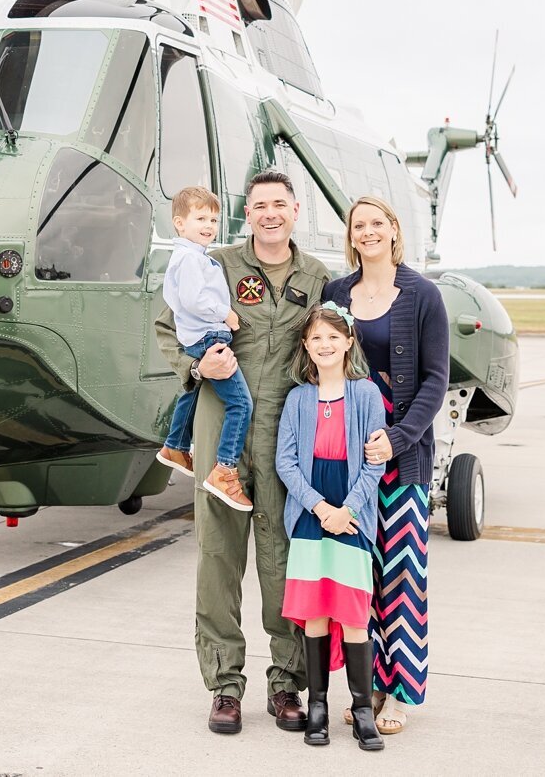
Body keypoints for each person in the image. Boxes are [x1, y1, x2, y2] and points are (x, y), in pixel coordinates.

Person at [153, 171, 330, 735]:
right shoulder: (215, 262)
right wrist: (194, 365)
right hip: (221, 423)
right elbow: (165, 323)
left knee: (282, 560)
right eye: (259, 205)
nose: (270, 213)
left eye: (280, 204)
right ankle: (225, 687)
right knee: (218, 557)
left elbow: (334, 346)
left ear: (295, 211)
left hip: (285, 434)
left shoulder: (316, 276)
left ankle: (286, 685)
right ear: (246, 213)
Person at [323, 195, 449, 736]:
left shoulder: (422, 296)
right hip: (346, 462)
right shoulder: (336, 294)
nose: (369, 232)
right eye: (360, 225)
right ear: (351, 236)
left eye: (378, 223)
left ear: (394, 231)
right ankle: (366, 685)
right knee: (359, 579)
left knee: (401, 577)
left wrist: (397, 440)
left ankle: (399, 693)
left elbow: (435, 381)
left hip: (400, 461)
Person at [276, 302, 386, 751]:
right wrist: (321, 508)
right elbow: (286, 461)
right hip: (310, 513)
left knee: (354, 613)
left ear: (348, 342)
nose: (325, 345)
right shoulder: (298, 398)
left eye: (333, 337)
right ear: (306, 346)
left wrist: (348, 510)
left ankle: (362, 710)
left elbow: (374, 465)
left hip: (352, 512)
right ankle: (318, 705)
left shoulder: (365, 395)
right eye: (316, 338)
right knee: (317, 612)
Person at [156, 185, 254, 512]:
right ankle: (224, 470)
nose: (209, 225)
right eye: (200, 218)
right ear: (179, 224)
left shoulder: (193, 256)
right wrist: (225, 314)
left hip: (200, 337)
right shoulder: (189, 260)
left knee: (192, 392)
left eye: (213, 219)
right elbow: (194, 300)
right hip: (211, 337)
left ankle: (175, 446)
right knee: (240, 404)